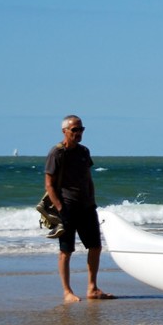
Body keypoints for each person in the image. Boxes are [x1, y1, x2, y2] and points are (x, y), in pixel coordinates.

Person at [45, 115, 115, 303]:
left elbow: (88, 178)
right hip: (66, 207)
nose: (78, 133)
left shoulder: (84, 152)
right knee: (66, 251)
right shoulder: (57, 153)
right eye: (74, 130)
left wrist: (92, 200)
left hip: (87, 207)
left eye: (80, 129)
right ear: (64, 131)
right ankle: (67, 291)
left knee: (95, 247)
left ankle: (92, 288)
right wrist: (60, 208)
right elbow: (49, 184)